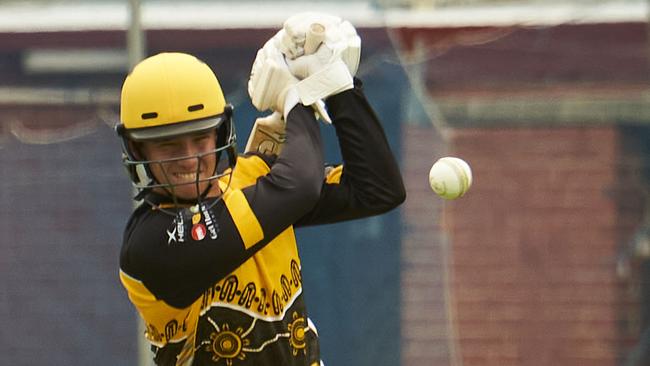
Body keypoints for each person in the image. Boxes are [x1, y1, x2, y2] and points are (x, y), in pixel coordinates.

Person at [116, 13, 405, 366]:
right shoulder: (150, 242)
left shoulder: (252, 180)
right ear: (138, 151)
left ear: (221, 134)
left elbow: (378, 188)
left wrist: (339, 87)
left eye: (200, 138)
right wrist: (296, 99)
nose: (189, 159)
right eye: (168, 145)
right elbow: (297, 187)